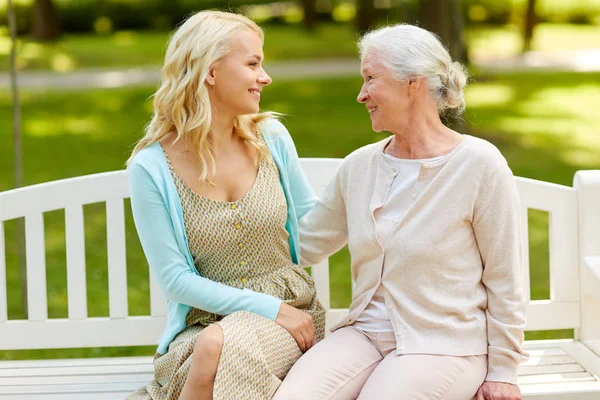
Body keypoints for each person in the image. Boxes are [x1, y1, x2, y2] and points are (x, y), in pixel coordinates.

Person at [274, 24, 528, 400]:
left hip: (444, 344)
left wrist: (504, 370)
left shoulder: (478, 165)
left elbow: (506, 277)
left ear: (413, 83)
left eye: (370, 78)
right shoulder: (360, 167)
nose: (361, 95)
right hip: (363, 334)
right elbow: (301, 245)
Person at [125, 10, 325, 400]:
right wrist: (267, 308)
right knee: (215, 347)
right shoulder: (151, 167)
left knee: (218, 351)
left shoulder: (271, 138)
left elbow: (315, 220)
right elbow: (176, 281)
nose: (264, 77)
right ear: (211, 72)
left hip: (291, 316)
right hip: (203, 327)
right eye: (253, 64)